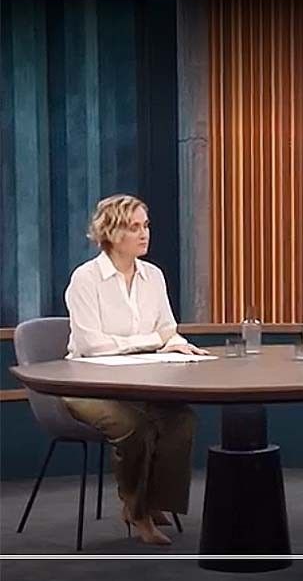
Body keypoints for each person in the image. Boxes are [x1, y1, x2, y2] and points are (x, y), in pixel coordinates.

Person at [64, 194, 208, 545]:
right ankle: (137, 511)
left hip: (138, 383)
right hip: (85, 385)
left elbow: (167, 329)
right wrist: (150, 340)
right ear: (111, 233)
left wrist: (177, 344)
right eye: (134, 227)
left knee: (180, 420)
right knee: (133, 427)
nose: (144, 234)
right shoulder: (86, 279)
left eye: (146, 225)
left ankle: (155, 502)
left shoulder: (153, 276)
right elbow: (92, 345)